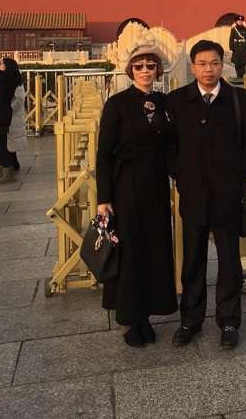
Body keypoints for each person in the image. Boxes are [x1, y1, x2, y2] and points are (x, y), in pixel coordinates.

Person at [167, 39, 246, 349]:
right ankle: (190, 320)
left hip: (227, 194)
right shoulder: (177, 101)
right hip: (193, 193)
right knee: (192, 260)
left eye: (214, 63)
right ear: (192, 67)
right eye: (202, 64)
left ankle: (229, 321)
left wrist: (239, 172)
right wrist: (180, 174)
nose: (208, 69)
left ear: (223, 65)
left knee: (229, 259)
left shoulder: (239, 99)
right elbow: (169, 144)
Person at [96, 45, 177, 347]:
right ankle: (133, 318)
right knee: (130, 251)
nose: (145, 71)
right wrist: (104, 197)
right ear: (130, 70)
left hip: (156, 186)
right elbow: (104, 153)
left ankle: (150, 311)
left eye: (150, 66)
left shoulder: (165, 102)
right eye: (139, 66)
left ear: (158, 70)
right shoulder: (117, 104)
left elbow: (175, 143)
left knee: (155, 249)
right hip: (126, 187)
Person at [0, 58, 21, 184]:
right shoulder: (2, 80)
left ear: (9, 66)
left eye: (1, 63)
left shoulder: (8, 78)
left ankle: (8, 173)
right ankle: (3, 170)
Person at [7, 61, 27, 172]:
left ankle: (11, 165)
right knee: (9, 142)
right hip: (8, 115)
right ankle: (11, 163)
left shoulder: (15, 80)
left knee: (10, 141)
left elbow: (19, 99)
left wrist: (9, 109)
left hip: (13, 116)